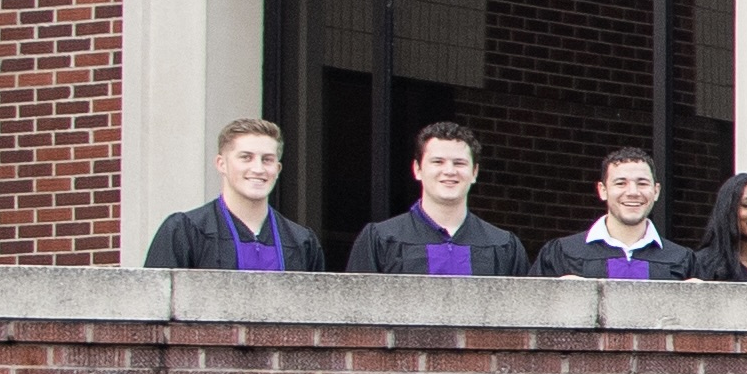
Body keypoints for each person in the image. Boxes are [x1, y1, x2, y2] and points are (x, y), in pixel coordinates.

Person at [343, 119, 525, 277]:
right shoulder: (381, 240)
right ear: (417, 169)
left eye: (459, 163)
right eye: (438, 162)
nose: (449, 171)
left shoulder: (503, 245)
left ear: (474, 172)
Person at [140, 115, 323, 272]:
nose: (258, 169)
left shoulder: (301, 242)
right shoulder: (185, 232)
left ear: (278, 168)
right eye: (246, 158)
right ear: (221, 164)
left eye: (267, 160)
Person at [529, 148, 689, 280]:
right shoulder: (563, 253)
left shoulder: (682, 260)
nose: (633, 192)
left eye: (642, 183)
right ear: (603, 190)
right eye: (620, 183)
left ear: (656, 191)